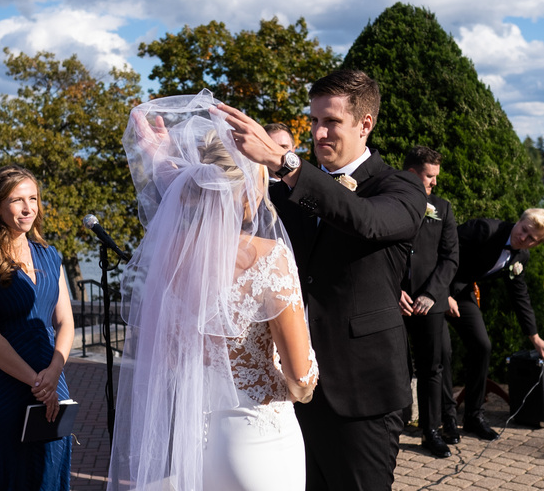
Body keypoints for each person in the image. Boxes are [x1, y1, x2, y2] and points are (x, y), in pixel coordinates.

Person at [217, 70, 427, 490]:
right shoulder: (290, 192)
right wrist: (169, 165)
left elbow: (365, 222)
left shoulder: (400, 188)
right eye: (313, 121)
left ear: (365, 124)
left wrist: (283, 162)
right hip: (291, 392)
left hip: (361, 392)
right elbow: (221, 202)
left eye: (330, 121)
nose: (318, 132)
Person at [107, 90, 318, 491]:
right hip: (261, 443)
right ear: (248, 192)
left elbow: (168, 357)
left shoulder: (170, 258)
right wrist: (302, 380)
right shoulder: (269, 258)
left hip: (195, 445)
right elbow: (300, 376)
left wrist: (164, 162)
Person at [0, 165, 75, 490]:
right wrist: (38, 382)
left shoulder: (50, 255)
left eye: (33, 198)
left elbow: (65, 321)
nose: (28, 208)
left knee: (50, 476)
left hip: (53, 384)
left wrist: (54, 371)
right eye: (16, 200)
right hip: (4, 392)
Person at [443, 208, 544, 441]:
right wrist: (442, 293)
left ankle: (474, 417)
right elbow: (440, 249)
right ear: (520, 221)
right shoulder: (484, 229)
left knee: (481, 346)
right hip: (435, 287)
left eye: (531, 238)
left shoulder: (520, 258)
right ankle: (445, 418)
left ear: (535, 244)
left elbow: (520, 296)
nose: (523, 237)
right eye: (524, 229)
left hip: (462, 293)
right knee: (442, 351)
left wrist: (534, 337)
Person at [399, 146, 458, 458]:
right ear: (412, 174)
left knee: (431, 368)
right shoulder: (387, 202)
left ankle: (431, 431)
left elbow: (450, 259)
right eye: (429, 176)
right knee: (394, 366)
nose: (434, 182)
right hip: (392, 300)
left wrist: (432, 294)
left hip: (429, 302)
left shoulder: (442, 208)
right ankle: (392, 426)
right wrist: (394, 290)